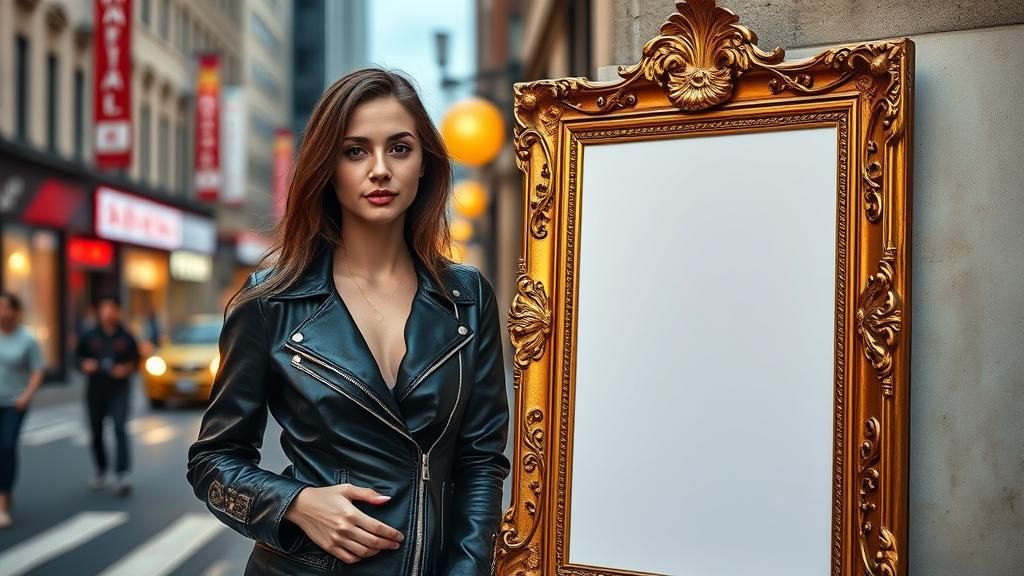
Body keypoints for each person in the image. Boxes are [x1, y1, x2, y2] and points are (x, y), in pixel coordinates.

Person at [187, 68, 511, 575]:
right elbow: (212, 463)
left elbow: (481, 460)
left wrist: (467, 571)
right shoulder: (272, 301)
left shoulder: (466, 298)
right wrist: (295, 504)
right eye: (355, 151)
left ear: (425, 163)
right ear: (328, 167)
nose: (380, 170)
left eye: (399, 148)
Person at [76, 295, 140, 497]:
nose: (108, 312)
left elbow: (136, 360)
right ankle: (101, 468)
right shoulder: (90, 336)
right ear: (99, 311)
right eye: (104, 308)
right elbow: (77, 357)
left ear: (118, 311)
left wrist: (125, 369)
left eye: (112, 308)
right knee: (96, 431)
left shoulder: (126, 337)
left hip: (119, 390)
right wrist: (84, 365)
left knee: (120, 428)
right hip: (96, 390)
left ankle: (122, 474)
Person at [0, 293, 44, 528]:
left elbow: (37, 371)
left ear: (16, 312)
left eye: (6, 307)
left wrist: (27, 395)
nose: (2, 312)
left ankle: (3, 500)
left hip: (15, 403)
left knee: (6, 447)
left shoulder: (27, 339)